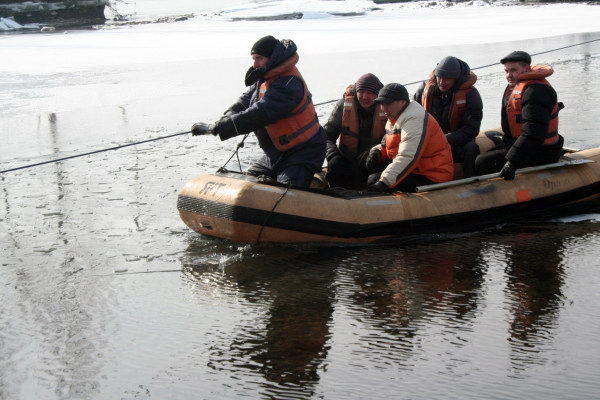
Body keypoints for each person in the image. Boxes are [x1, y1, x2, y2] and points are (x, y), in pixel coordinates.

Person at [191, 35, 326, 188]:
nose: (255, 64)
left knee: (284, 196)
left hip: (303, 152)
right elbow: (244, 102)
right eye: (253, 58)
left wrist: (219, 128)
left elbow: (260, 113)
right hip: (277, 153)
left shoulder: (289, 83)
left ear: (272, 58)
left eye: (259, 58)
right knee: (250, 184)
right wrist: (226, 117)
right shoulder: (266, 76)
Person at [474, 50, 564, 180]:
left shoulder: (536, 91)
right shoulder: (517, 86)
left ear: (526, 68)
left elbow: (534, 132)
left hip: (542, 151)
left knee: (482, 162)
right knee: (482, 154)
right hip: (526, 145)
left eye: (513, 70)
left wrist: (512, 163)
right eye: (506, 71)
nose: (509, 75)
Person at [364, 83, 454, 193]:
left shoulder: (414, 119)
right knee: (368, 166)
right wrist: (378, 152)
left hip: (433, 174)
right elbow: (392, 144)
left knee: (374, 180)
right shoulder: (394, 117)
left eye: (388, 103)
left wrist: (384, 182)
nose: (383, 108)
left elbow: (407, 156)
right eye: (382, 104)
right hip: (416, 169)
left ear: (402, 101)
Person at [414, 56, 483, 178]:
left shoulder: (471, 95)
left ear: (456, 79)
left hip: (456, 142)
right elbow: (412, 117)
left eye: (447, 78)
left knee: (470, 148)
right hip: (429, 142)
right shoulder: (424, 90)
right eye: (439, 77)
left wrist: (444, 139)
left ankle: (470, 181)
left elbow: (472, 129)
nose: (442, 82)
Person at [323, 73, 387, 188]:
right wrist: (332, 155)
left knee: (376, 179)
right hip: (347, 160)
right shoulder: (344, 105)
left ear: (377, 94)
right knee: (335, 167)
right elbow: (326, 135)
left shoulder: (387, 106)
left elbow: (395, 138)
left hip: (374, 161)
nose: (364, 97)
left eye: (370, 93)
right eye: (361, 92)